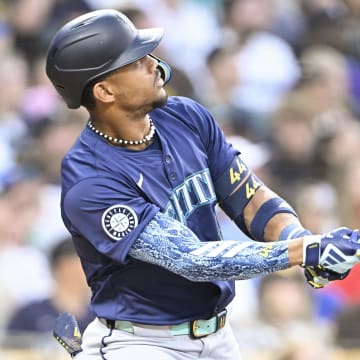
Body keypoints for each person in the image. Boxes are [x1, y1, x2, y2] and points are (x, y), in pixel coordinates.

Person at [45, 9, 360, 360]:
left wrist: (298, 238)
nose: (153, 63)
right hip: (143, 342)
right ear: (104, 90)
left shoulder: (186, 116)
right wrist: (305, 251)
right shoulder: (89, 178)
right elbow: (191, 259)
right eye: (135, 61)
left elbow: (249, 198)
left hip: (218, 334)